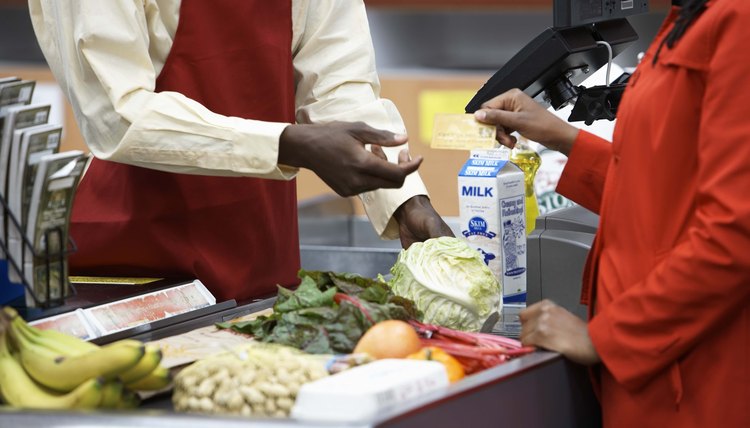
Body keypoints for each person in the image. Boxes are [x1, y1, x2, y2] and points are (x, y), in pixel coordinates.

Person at [28, 0, 453, 301]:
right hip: (135, 275)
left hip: (261, 264)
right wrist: (286, 144)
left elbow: (338, 79)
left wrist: (404, 199)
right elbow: (118, 114)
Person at [474, 0, 749, 426]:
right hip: (649, 371)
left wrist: (607, 338)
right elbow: (661, 192)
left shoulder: (737, 22)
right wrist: (562, 136)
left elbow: (737, 232)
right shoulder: (690, 16)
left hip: (688, 381)